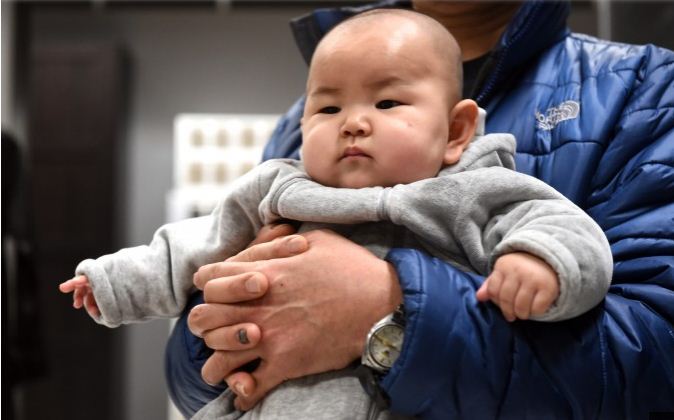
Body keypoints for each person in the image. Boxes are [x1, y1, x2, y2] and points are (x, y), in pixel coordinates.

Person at [59, 8, 613, 419]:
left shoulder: (480, 193)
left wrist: (540, 262)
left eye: (387, 103)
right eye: (327, 107)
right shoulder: (279, 188)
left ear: (456, 132)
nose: (353, 122)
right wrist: (112, 283)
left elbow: (567, 229)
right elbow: (193, 247)